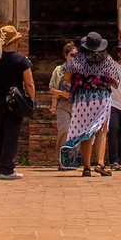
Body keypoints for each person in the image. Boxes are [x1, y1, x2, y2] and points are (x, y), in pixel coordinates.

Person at [62, 33, 118, 178]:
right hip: (102, 97)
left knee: (85, 131)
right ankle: (100, 163)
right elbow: (114, 80)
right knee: (101, 130)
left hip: (82, 98)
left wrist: (82, 79)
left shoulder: (78, 58)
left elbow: (66, 77)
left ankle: (86, 167)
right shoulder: (107, 59)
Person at [0, 25, 37, 179]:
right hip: (15, 103)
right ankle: (7, 169)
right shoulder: (21, 60)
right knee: (11, 135)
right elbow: (29, 83)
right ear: (14, 42)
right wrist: (31, 100)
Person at [50, 41, 78, 170]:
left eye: (76, 55)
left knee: (76, 133)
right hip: (63, 104)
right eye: (71, 55)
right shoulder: (59, 70)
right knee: (64, 130)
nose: (74, 57)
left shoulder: (81, 70)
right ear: (66, 56)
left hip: (78, 105)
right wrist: (62, 94)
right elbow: (52, 88)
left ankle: (72, 160)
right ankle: (62, 160)